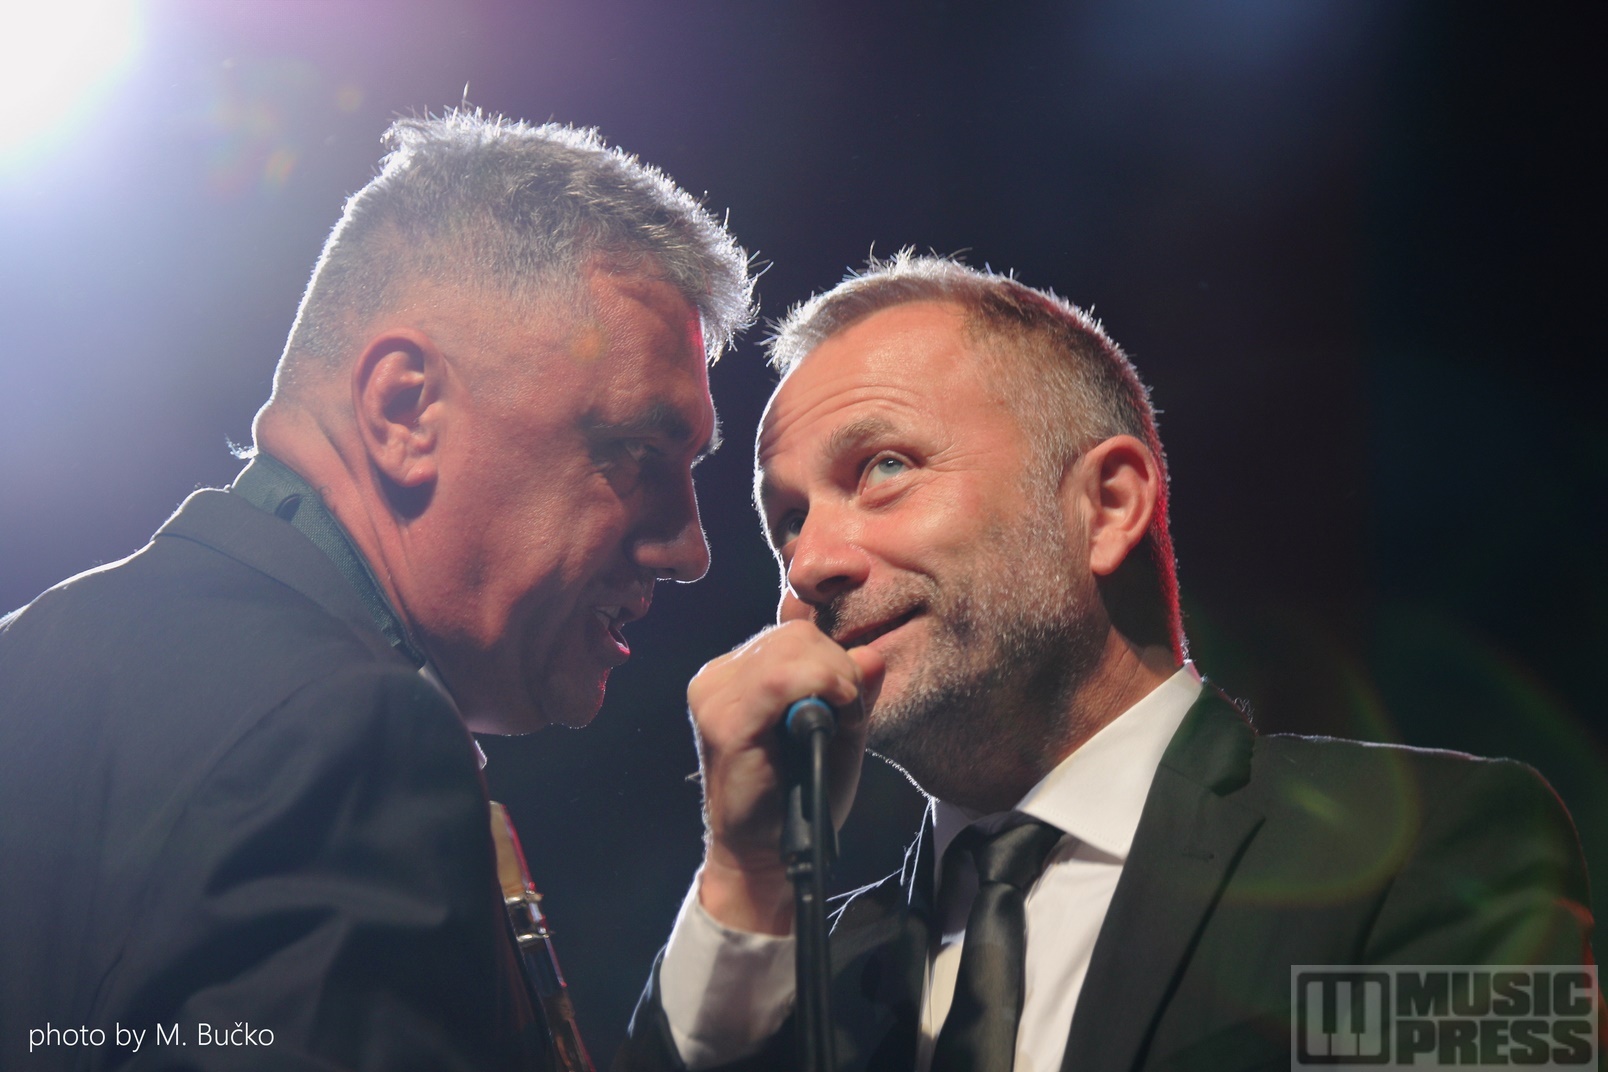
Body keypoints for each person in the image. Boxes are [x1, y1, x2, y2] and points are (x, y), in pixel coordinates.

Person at [616, 254, 1596, 1072]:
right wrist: (746, 875)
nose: (810, 564)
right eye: (787, 522)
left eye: (884, 467)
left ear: (1109, 504)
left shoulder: (1431, 853)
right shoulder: (793, 982)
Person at [0, 110, 752, 1071]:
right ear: (405, 409)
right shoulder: (353, 733)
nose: (690, 549)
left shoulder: (33, 652)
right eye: (637, 451)